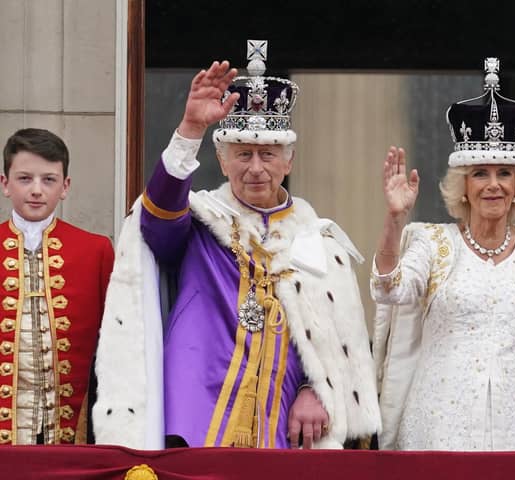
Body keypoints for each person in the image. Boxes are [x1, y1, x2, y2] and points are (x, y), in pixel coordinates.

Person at [93, 41, 380, 450]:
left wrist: (316, 388)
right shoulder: (199, 222)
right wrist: (190, 130)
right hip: (196, 410)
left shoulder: (318, 240)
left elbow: (330, 337)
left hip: (282, 419)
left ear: (289, 161)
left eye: (268, 153)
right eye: (243, 153)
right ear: (223, 160)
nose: (256, 167)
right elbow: (156, 220)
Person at [371, 58, 515, 451]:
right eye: (480, 173)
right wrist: (395, 219)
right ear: (463, 186)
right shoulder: (433, 243)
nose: (493, 185)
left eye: (504, 173)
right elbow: (388, 288)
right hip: (438, 432)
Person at [0, 128, 114, 445]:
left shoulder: (96, 250)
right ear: (5, 183)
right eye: (25, 178)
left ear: (65, 187)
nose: (36, 190)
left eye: (48, 180)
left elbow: (115, 346)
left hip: (71, 430)